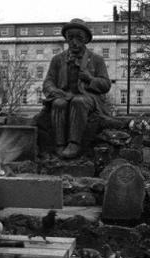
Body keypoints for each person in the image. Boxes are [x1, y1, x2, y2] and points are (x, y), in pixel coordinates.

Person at [42, 18, 112, 159]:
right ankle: (59, 144)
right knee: (58, 103)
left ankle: (74, 143)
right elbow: (48, 83)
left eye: (78, 38)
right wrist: (56, 92)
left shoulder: (96, 59)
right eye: (70, 38)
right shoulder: (58, 59)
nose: (74, 42)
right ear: (66, 39)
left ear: (86, 39)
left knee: (78, 101)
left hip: (88, 98)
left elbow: (106, 84)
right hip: (63, 95)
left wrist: (90, 79)